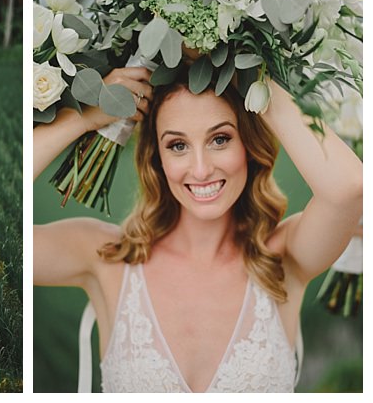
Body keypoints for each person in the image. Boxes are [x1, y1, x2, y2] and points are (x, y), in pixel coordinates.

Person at [33, 63, 363, 392]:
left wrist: (250, 72)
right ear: (157, 159)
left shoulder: (285, 257)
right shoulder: (107, 257)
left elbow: (349, 189)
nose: (201, 169)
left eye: (220, 139)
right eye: (178, 145)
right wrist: (85, 115)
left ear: (248, 145)